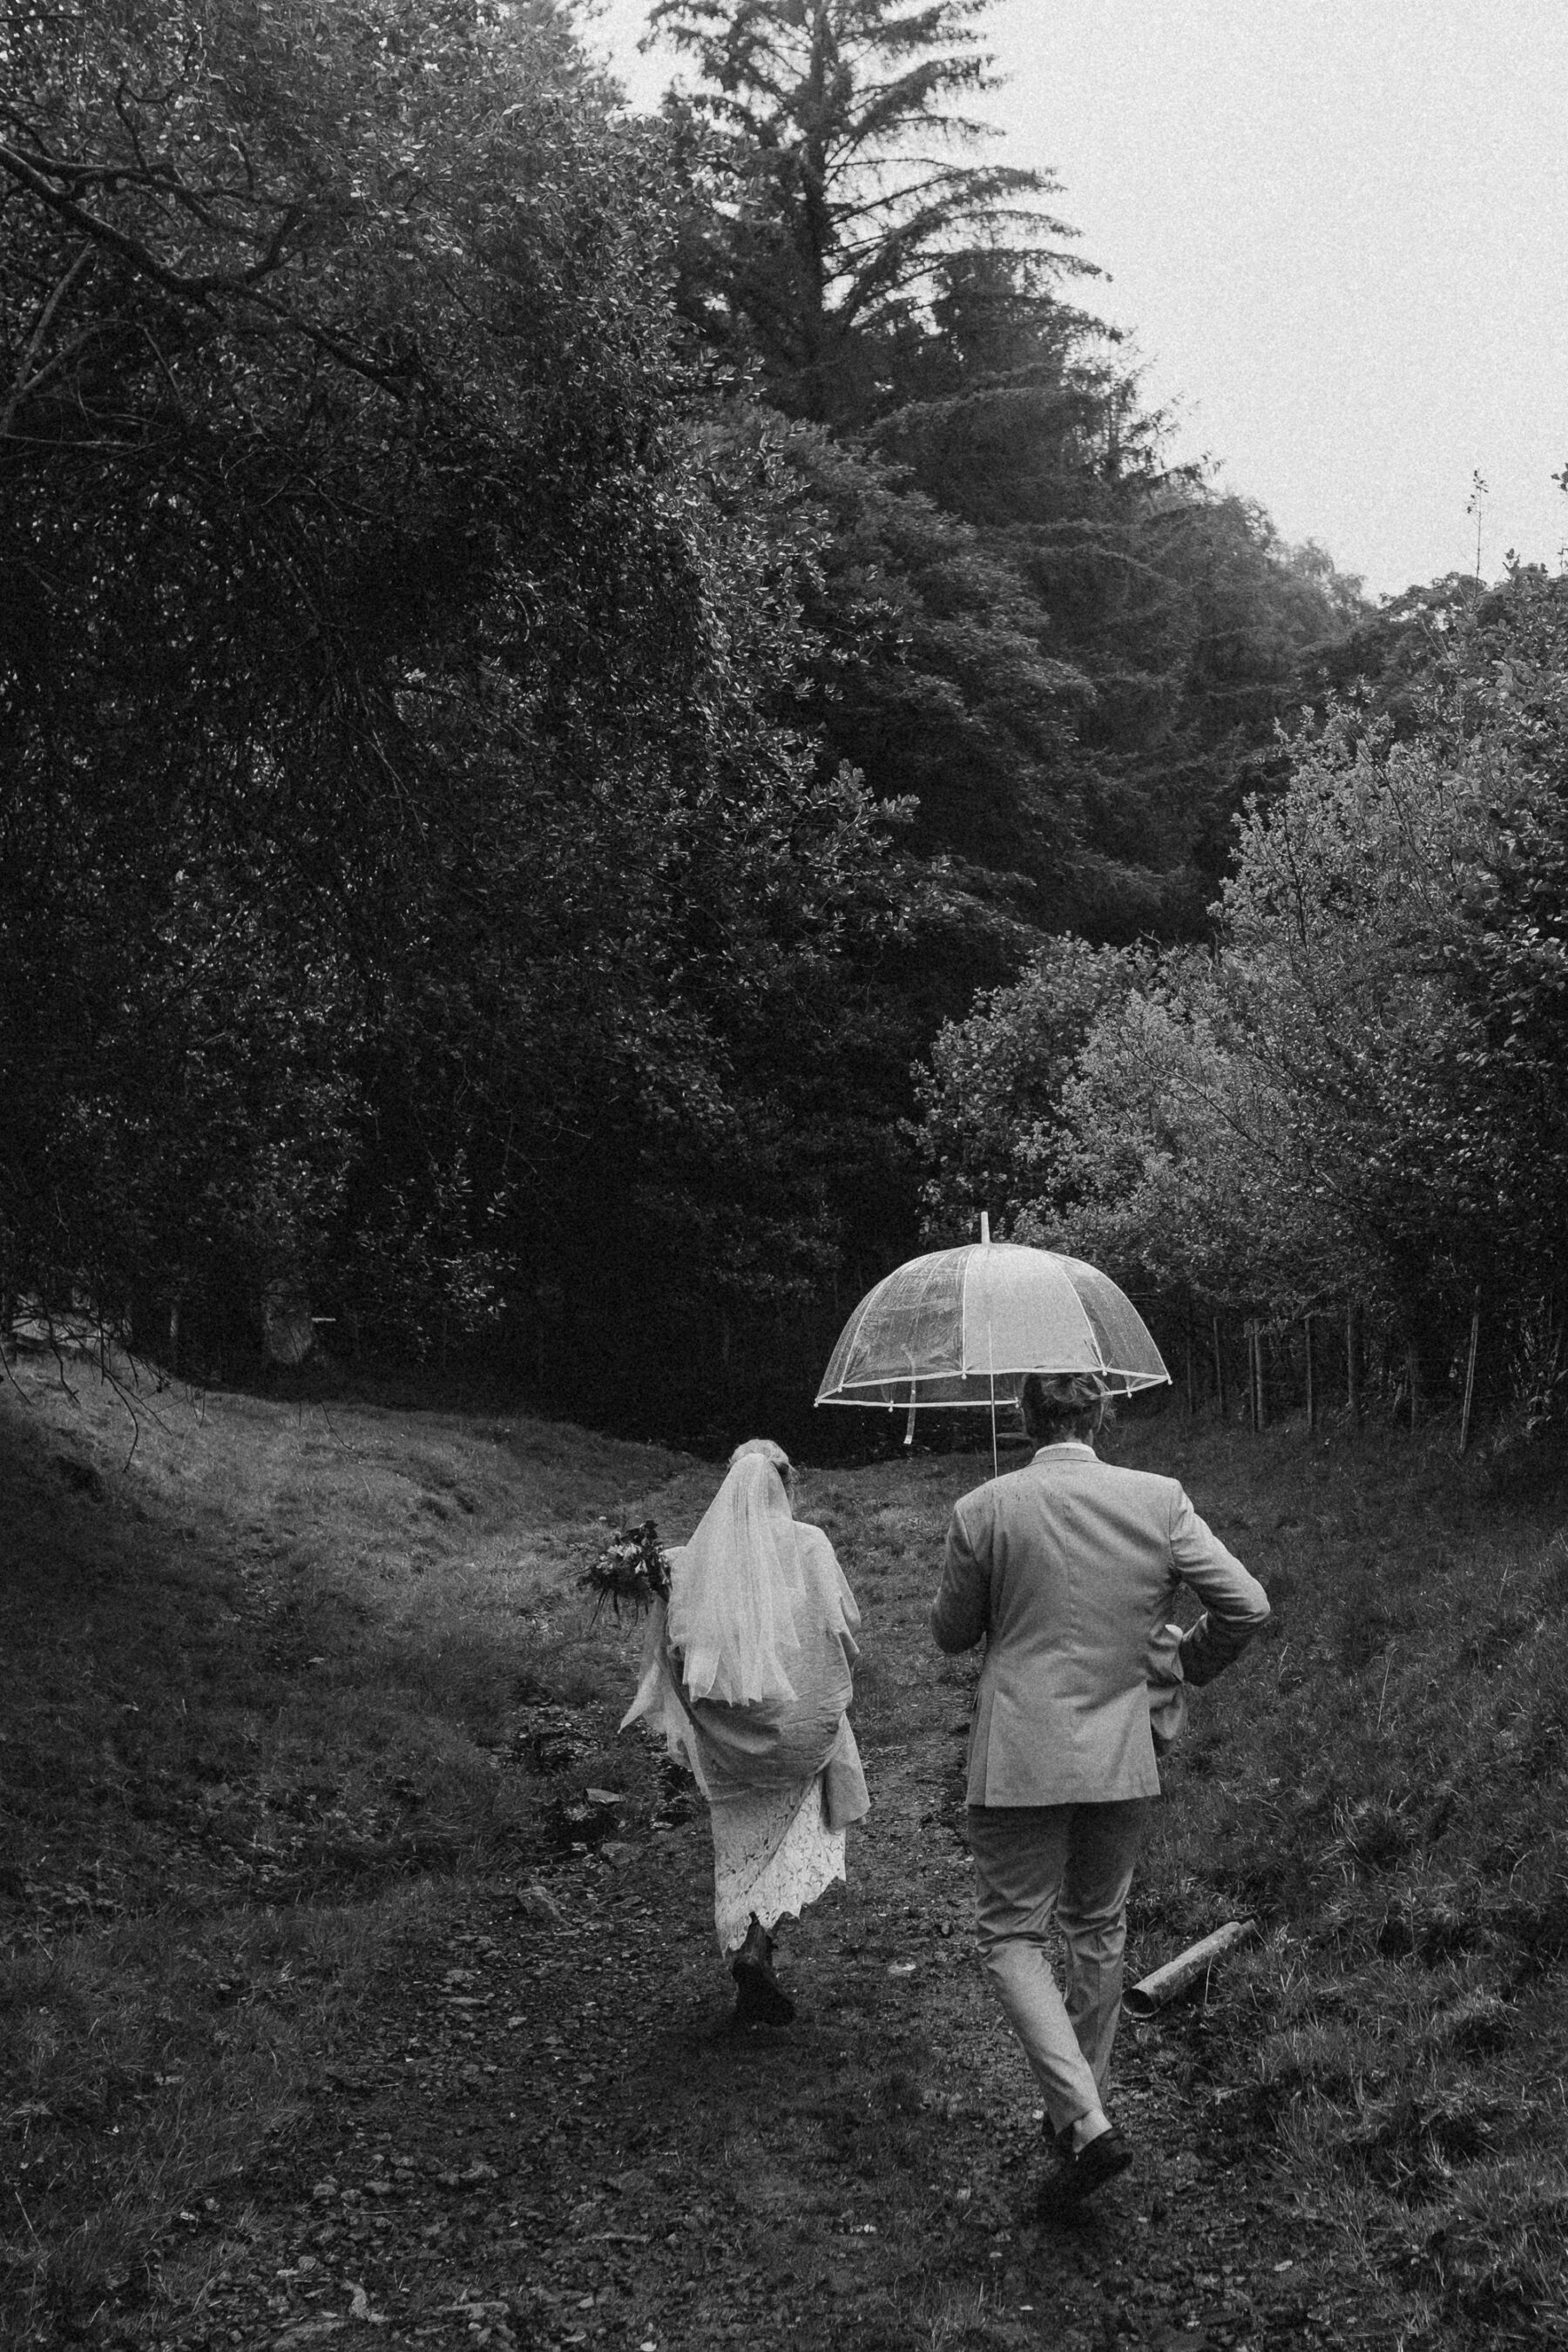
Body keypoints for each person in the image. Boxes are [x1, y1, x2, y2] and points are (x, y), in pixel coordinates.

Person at [930, 1372, 1271, 2211]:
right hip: (1123, 1752)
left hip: (1019, 1755)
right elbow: (1248, 1604)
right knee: (1097, 1923)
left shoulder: (986, 1509)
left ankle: (1082, 2121)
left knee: (1013, 1936)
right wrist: (1186, 1659)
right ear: (1101, 1412)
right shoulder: (1159, 1500)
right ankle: (1081, 2112)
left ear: (1025, 1415)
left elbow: (949, 1634)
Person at [621, 1438, 869, 2024]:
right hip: (797, 1735)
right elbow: (841, 1627)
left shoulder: (690, 1562)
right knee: (786, 1842)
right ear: (789, 1487)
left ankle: (749, 1946)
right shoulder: (809, 1544)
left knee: (737, 1850)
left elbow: (677, 1649)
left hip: (729, 1743)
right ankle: (761, 1944)